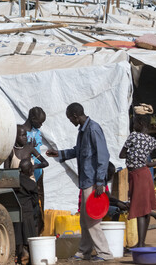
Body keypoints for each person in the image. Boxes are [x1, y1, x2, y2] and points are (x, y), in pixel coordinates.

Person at [46, 103, 112, 262]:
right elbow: (78, 151)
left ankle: (105, 253)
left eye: (70, 118)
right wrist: (60, 153)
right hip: (86, 181)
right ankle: (84, 252)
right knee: (84, 220)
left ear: (75, 116)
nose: (70, 121)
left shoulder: (93, 129)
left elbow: (103, 156)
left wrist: (99, 181)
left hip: (93, 182)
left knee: (92, 220)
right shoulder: (83, 131)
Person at [119, 113, 156, 248]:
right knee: (144, 208)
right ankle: (141, 242)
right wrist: (151, 164)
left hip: (136, 176)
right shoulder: (151, 140)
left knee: (140, 210)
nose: (133, 125)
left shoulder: (133, 136)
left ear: (141, 125)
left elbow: (121, 154)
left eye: (134, 123)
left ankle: (141, 243)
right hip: (144, 174)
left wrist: (131, 153)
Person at [13, 159, 40, 265]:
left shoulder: (14, 181)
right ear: (29, 170)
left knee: (18, 237)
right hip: (28, 212)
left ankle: (17, 258)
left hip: (15, 211)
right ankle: (30, 259)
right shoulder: (31, 184)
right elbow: (34, 201)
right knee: (29, 237)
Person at [17, 107, 47, 181]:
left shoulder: (37, 132)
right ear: (33, 118)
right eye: (40, 122)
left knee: (38, 192)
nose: (41, 125)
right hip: (25, 169)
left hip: (38, 168)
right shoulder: (20, 132)